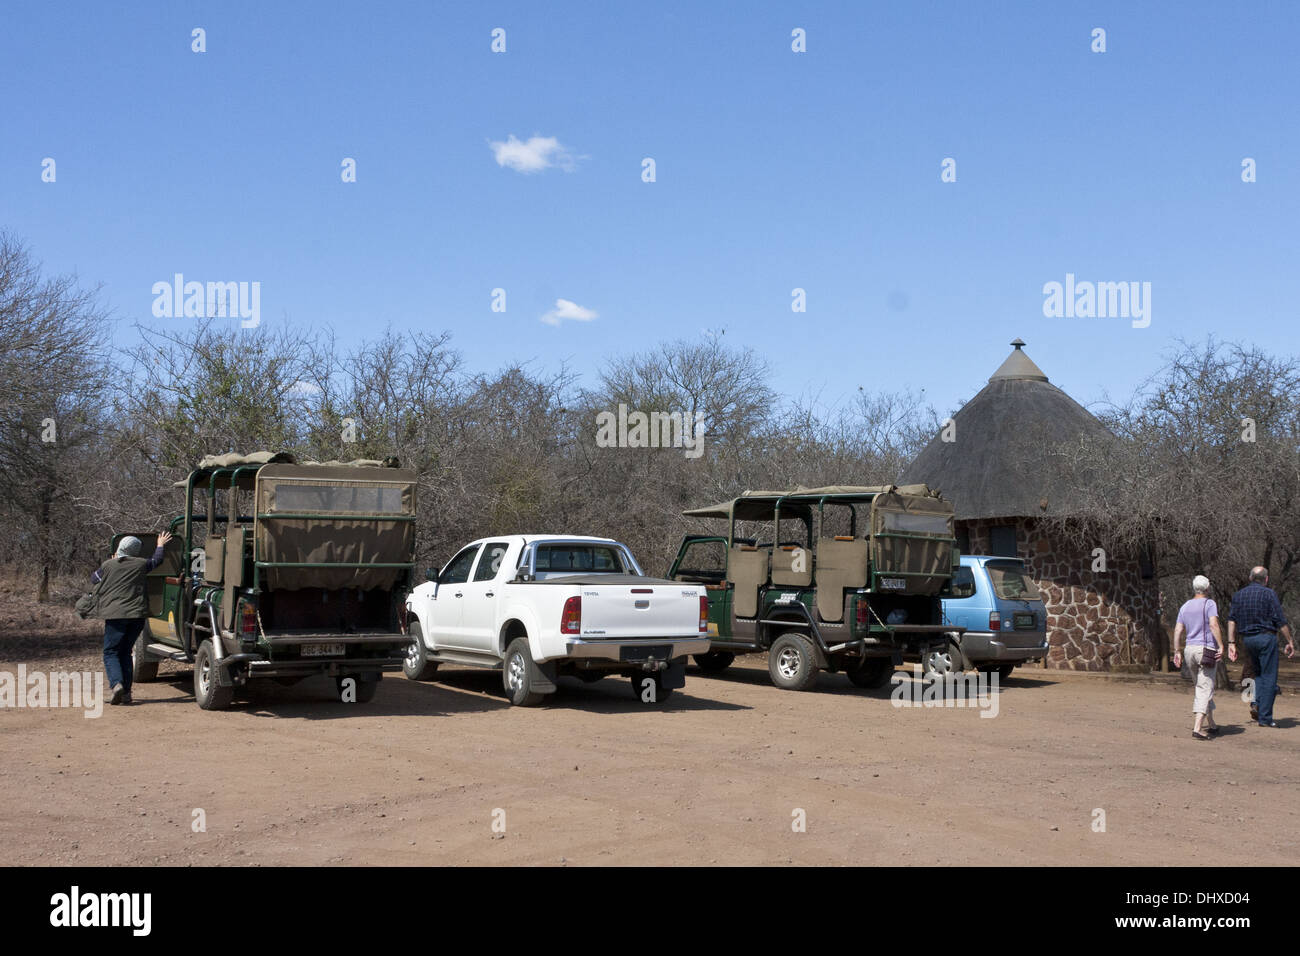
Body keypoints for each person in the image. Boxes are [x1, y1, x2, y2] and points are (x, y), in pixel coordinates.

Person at [91, 531, 172, 705]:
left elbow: (94, 579)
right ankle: (126, 693)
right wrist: (160, 545)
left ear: (120, 548)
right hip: (137, 615)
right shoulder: (142, 564)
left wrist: (113, 560)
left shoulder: (108, 565)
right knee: (125, 652)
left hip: (116, 615)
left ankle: (116, 684)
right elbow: (157, 561)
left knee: (111, 652)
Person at [1227, 566, 1295, 728]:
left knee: (1257, 673)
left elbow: (1231, 620)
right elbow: (1280, 620)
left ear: (1250, 578)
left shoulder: (1239, 595)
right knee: (1269, 677)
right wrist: (1289, 641)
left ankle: (1256, 703)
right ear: (1266, 579)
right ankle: (1265, 717)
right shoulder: (1269, 594)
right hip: (1266, 637)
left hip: (1248, 640)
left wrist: (1231, 643)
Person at [1171, 575, 1225, 740]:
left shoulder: (1185, 606)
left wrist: (1177, 650)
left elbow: (1178, 629)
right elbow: (1214, 624)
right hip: (1206, 650)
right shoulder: (1209, 604)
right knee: (1204, 687)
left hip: (1189, 650)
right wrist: (1221, 645)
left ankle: (1212, 723)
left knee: (1202, 686)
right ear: (1207, 588)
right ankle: (1197, 728)